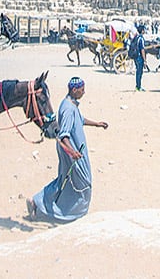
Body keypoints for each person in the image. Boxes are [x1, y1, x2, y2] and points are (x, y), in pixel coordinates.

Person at [27, 77, 107, 223]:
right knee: (84, 182)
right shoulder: (68, 108)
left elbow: (80, 119)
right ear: (74, 90)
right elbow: (64, 135)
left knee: (65, 179)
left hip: (74, 150)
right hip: (71, 151)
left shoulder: (69, 103)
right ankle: (72, 214)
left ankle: (36, 201)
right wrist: (73, 152)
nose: (84, 92)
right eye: (82, 90)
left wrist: (96, 124)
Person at [127, 23, 147, 91]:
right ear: (142, 31)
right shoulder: (141, 38)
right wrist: (144, 60)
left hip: (135, 56)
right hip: (139, 57)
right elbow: (142, 49)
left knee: (138, 71)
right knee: (139, 72)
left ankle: (137, 86)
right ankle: (138, 86)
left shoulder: (136, 37)